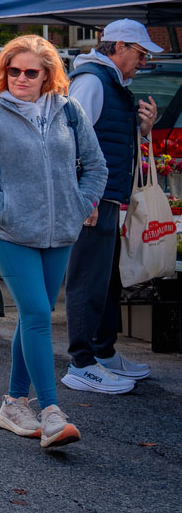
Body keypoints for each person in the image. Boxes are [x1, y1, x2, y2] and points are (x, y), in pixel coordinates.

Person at [0, 36, 107, 449]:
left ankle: (12, 403)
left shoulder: (69, 110)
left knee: (31, 314)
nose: (20, 78)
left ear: (48, 75)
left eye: (31, 72)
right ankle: (53, 413)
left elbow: (96, 165)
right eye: (13, 70)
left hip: (59, 231)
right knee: (39, 313)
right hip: (9, 231)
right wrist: (5, 210)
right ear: (3, 70)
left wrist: (80, 204)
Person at [61, 20, 160, 393]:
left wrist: (144, 130)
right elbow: (68, 139)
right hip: (93, 197)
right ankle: (82, 363)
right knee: (88, 279)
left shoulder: (109, 83)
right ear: (118, 47)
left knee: (105, 279)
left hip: (105, 195)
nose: (143, 61)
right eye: (140, 53)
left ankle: (101, 352)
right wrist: (82, 195)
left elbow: (100, 136)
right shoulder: (92, 81)